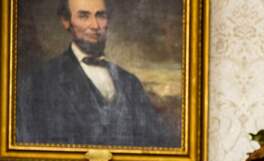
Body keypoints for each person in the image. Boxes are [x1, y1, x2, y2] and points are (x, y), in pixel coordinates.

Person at [15, 0, 177, 147]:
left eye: (100, 15)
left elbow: (156, 143)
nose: (95, 25)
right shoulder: (39, 81)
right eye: (84, 16)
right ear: (66, 22)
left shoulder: (130, 82)